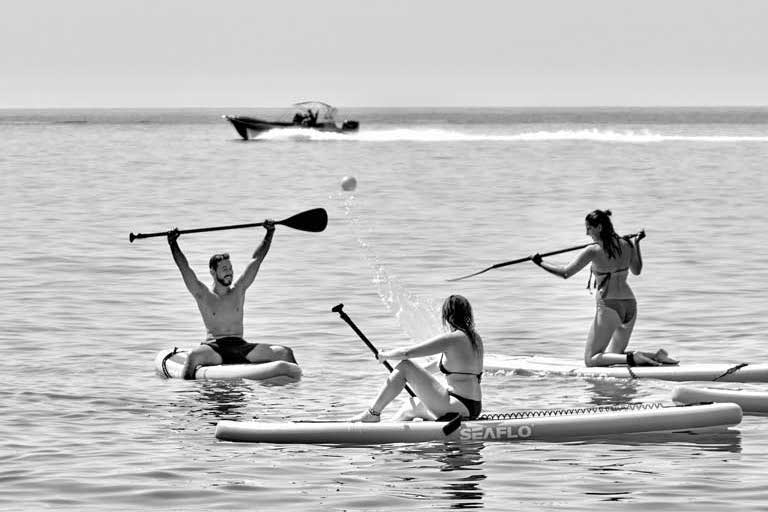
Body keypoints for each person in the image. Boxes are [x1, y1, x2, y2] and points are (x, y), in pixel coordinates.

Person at [531, 209, 677, 367]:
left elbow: (566, 273)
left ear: (599, 227)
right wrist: (636, 244)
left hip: (609, 306)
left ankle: (633, 358)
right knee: (614, 356)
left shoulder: (593, 250)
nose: (587, 233)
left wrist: (540, 263)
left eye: (589, 228)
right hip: (630, 304)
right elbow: (637, 270)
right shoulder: (627, 243)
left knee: (591, 359)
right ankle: (655, 356)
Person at [167, 220, 297, 379]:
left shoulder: (239, 290)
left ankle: (296, 393)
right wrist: (173, 243)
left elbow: (256, 260)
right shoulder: (203, 294)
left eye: (230, 268)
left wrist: (269, 234)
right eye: (224, 269)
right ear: (213, 272)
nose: (229, 272)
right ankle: (187, 392)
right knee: (193, 357)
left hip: (241, 346)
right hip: (215, 347)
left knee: (285, 352)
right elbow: (184, 268)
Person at [351, 295, 483, 422]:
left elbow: (407, 354)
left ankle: (372, 413)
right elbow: (433, 367)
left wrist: (385, 355)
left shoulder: (453, 338)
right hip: (473, 407)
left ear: (447, 316)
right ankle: (388, 434)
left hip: (456, 406)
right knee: (410, 406)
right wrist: (401, 378)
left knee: (405, 366)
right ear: (467, 314)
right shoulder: (475, 339)